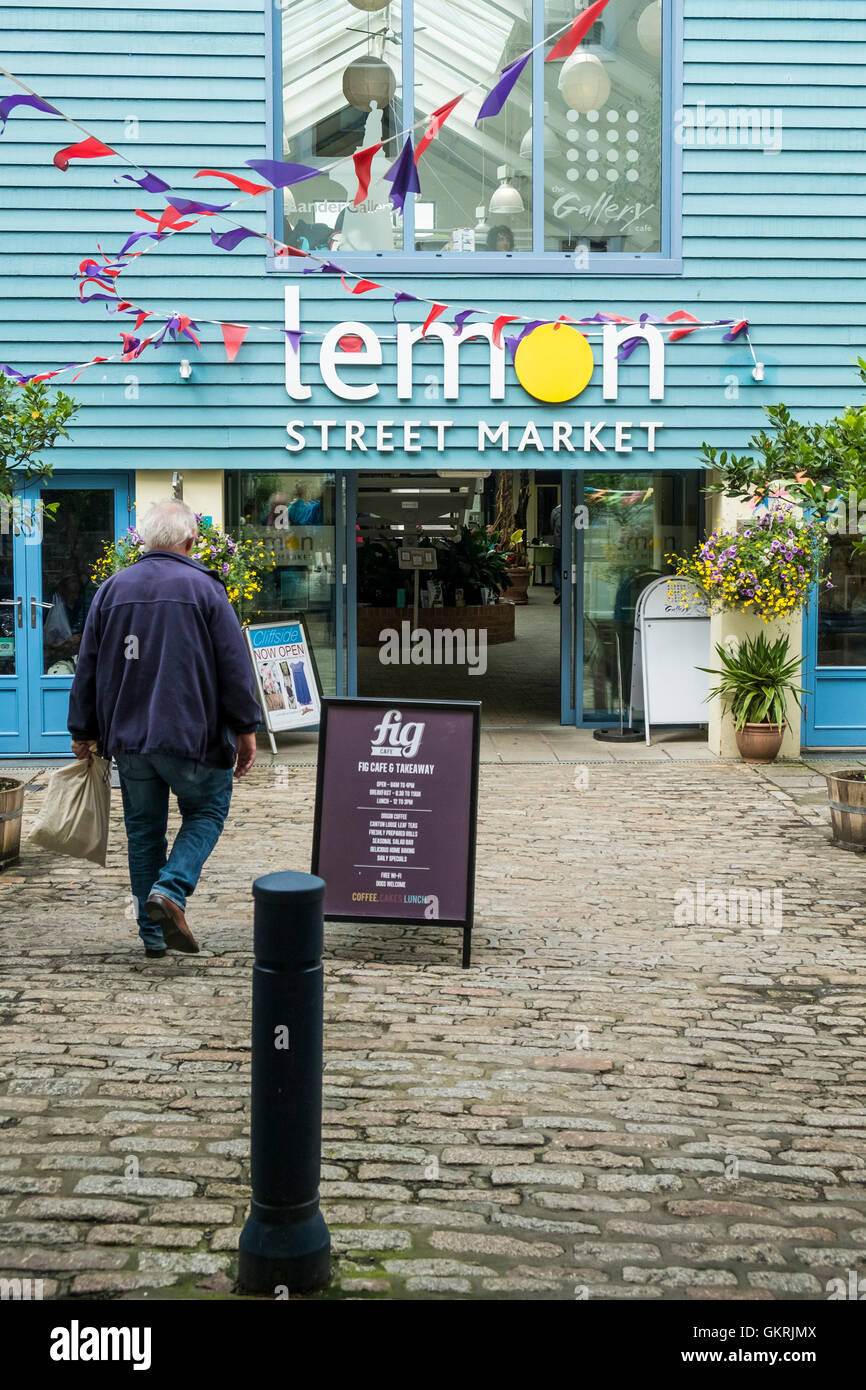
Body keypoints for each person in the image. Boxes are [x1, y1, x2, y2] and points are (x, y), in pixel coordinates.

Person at [67, 499, 261, 959]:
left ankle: (151, 934)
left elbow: (87, 668)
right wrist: (246, 727)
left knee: (143, 831)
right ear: (191, 542)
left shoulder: (112, 590)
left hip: (131, 740)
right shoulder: (206, 590)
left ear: (146, 540)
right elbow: (233, 668)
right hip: (192, 736)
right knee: (208, 811)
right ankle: (171, 891)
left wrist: (83, 730)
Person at [551, 502, 562, 605]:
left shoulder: (555, 511)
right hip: (570, 546)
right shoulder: (573, 510)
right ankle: (567, 590)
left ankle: (559, 590)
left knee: (556, 568)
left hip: (558, 545)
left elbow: (552, 526)